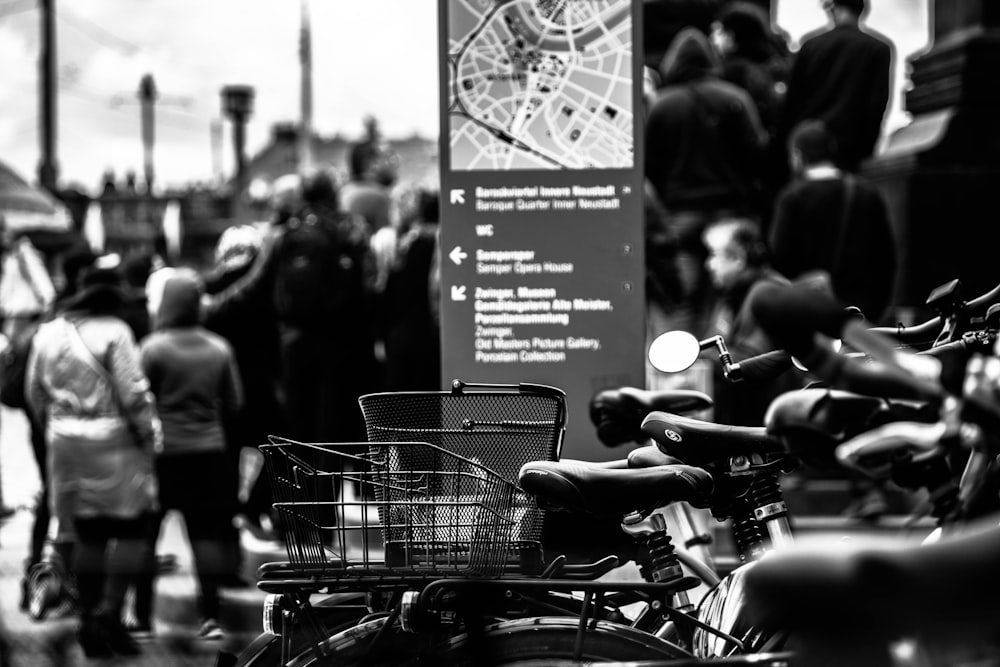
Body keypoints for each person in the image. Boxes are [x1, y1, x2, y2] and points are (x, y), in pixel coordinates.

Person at [25, 265, 160, 658]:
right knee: (132, 529)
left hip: (64, 441)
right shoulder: (116, 332)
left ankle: (86, 615)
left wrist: (56, 427)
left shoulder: (48, 332)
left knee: (86, 532)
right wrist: (149, 435)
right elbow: (133, 393)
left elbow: (34, 391)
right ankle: (108, 613)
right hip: (113, 442)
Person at [136, 268, 243, 641]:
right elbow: (234, 403)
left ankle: (141, 618)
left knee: (148, 535)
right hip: (209, 454)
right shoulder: (219, 347)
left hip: (164, 456)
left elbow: (137, 400)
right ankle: (209, 616)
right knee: (206, 538)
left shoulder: (152, 347)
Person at [645, 27, 768, 334]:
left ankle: (681, 370)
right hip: (730, 212)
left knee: (683, 299)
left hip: (682, 213)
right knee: (726, 297)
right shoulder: (735, 99)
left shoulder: (662, 105)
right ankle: (721, 368)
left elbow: (650, 165)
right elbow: (757, 155)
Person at [769, 119, 897, 324]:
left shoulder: (791, 198)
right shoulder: (866, 193)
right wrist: (877, 308)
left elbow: (780, 257)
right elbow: (886, 258)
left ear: (797, 156)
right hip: (862, 312)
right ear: (832, 150)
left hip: (812, 312)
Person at [203, 224, 284, 538]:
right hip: (263, 384)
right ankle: (254, 507)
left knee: (227, 457)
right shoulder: (266, 289)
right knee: (283, 447)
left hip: (220, 388)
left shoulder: (210, 288)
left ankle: (228, 527)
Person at [769, 0, 893, 197]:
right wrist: (866, 149)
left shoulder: (811, 46)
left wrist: (784, 149)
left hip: (807, 145)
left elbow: (791, 104)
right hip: (849, 150)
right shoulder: (878, 49)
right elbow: (876, 105)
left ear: (836, 8)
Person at [701, 217, 794, 426]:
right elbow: (712, 341)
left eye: (714, 255)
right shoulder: (730, 295)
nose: (709, 265)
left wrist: (697, 357)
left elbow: (748, 361)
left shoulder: (769, 295)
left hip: (768, 424)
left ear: (739, 259)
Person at [380, 186, 441, 391]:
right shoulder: (438, 240)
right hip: (429, 332)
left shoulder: (404, 243)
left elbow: (390, 293)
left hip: (405, 333)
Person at [339, 116, 399, 233]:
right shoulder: (378, 198)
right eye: (388, 157)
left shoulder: (345, 192)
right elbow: (386, 246)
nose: (394, 163)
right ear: (372, 164)